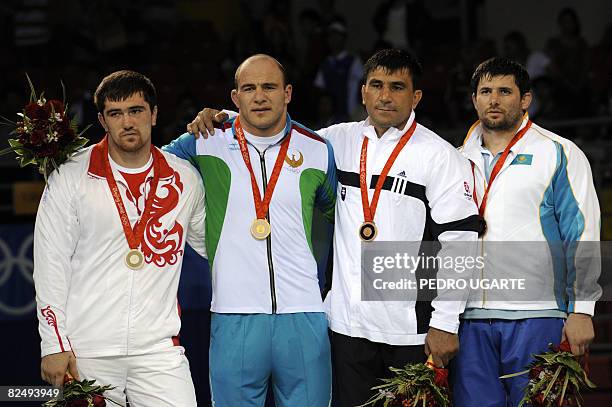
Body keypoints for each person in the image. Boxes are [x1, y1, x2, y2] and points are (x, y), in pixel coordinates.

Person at [188, 48, 480, 407]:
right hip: (345, 328)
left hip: (411, 331)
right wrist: (228, 117)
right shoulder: (334, 142)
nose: (385, 96)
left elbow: (461, 243)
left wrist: (446, 322)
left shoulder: (439, 155)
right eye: (376, 85)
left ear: (416, 96)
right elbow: (275, 131)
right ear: (362, 92)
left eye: (397, 87)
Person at [163, 54, 336, 407]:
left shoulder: (317, 149)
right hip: (233, 314)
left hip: (303, 314)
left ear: (288, 93)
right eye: (249, 88)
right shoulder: (204, 141)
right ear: (234, 97)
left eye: (269, 87)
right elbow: (149, 170)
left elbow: (344, 219)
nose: (259, 97)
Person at [34, 70, 205, 406]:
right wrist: (53, 343)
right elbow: (50, 264)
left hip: (158, 351)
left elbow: (219, 248)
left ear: (154, 114)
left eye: (136, 111)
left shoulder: (184, 179)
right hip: (87, 350)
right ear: (102, 120)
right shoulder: (71, 177)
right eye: (116, 113)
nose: (128, 122)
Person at [453, 57, 601, 406]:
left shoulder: (559, 152)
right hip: (468, 317)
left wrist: (582, 309)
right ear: (474, 99)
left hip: (539, 313)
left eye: (505, 91)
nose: (494, 99)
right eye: (486, 91)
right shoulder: (453, 160)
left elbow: (582, 233)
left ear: (525, 100)